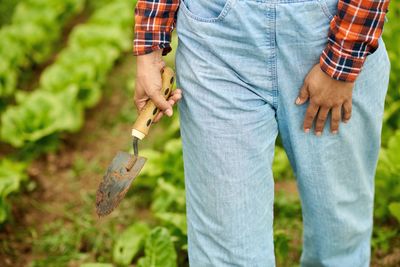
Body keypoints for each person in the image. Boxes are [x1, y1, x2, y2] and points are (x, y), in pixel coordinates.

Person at [133, 0, 391, 266]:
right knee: (227, 247)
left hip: (327, 28)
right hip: (216, 38)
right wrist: (149, 44)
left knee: (339, 232)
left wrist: (343, 60)